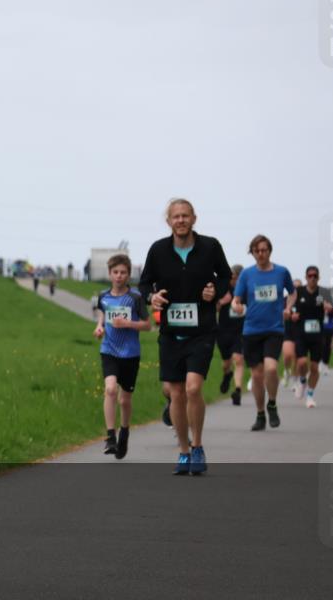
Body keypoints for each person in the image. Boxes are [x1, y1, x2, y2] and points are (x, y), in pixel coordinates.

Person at [139, 198, 232, 475]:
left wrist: (214, 290)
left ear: (194, 219)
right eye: (175, 216)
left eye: (185, 216)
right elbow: (144, 282)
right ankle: (183, 450)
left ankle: (198, 446)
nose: (180, 220)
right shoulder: (158, 250)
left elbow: (225, 276)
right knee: (176, 393)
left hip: (202, 329)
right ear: (169, 221)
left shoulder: (210, 246)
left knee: (192, 388)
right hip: (170, 332)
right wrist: (151, 297)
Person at [231, 235, 296, 432]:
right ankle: (260, 413)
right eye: (257, 250)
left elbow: (292, 292)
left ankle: (272, 403)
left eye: (264, 250)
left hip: (274, 329)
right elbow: (236, 299)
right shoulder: (247, 275)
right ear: (252, 253)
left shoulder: (281, 272)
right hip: (251, 330)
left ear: (270, 251)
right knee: (257, 376)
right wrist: (238, 307)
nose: (261, 254)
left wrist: (288, 307)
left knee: (270, 368)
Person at [93, 254, 152, 459]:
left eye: (123, 273)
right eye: (115, 272)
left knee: (124, 400)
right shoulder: (103, 296)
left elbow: (148, 325)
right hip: (109, 350)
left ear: (129, 275)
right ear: (109, 274)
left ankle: (124, 432)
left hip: (130, 353)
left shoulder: (135, 298)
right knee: (110, 390)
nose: (119, 276)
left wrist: (128, 324)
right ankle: (110, 437)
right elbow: (102, 314)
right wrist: (100, 327)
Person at [291, 266, 329, 408]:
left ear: (318, 278)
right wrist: (292, 315)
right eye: (310, 276)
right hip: (301, 333)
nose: (312, 278)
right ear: (306, 277)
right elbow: (290, 309)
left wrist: (329, 308)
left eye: (315, 276)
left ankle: (310, 396)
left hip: (317, 335)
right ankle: (301, 380)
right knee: (301, 363)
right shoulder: (299, 291)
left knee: (314, 367)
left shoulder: (323, 292)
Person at [216, 265, 246, 405]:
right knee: (226, 363)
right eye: (232, 277)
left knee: (238, 359)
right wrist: (222, 302)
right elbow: (214, 307)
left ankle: (238, 390)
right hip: (223, 331)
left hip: (240, 332)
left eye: (237, 277)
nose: (234, 279)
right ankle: (227, 374)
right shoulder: (223, 289)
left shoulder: (245, 291)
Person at [281, 279, 302, 388]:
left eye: (298, 287)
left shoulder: (304, 300)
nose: (296, 289)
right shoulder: (284, 300)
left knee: (297, 357)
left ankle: (295, 378)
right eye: (294, 287)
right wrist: (286, 315)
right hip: (287, 330)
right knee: (288, 355)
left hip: (300, 331)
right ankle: (286, 371)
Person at [320, 300, 333, 376]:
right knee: (322, 345)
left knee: (328, 347)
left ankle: (326, 364)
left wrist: (329, 308)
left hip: (329, 328)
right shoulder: (319, 304)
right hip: (320, 328)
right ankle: (320, 361)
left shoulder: (332, 305)